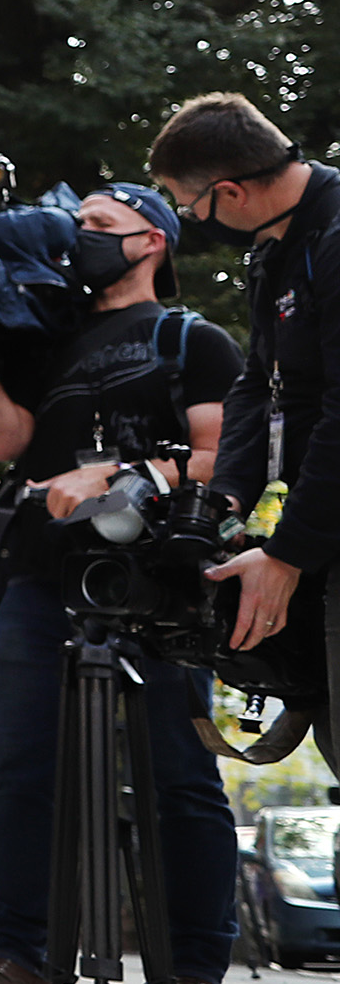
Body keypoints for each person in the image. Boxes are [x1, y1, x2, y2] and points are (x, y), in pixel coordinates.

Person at [0, 182, 241, 984]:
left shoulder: (191, 338)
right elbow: (2, 439)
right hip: (41, 578)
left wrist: (117, 476)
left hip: (157, 579)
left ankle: (195, 972)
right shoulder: (54, 346)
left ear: (152, 241)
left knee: (181, 771)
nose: (81, 237)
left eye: (100, 226)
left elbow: (224, 456)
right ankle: (21, 958)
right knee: (24, 766)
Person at [153, 95, 340, 701]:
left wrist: (288, 554)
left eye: (192, 206)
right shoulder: (274, 249)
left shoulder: (335, 240)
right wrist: (225, 498)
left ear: (231, 192)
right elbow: (259, 384)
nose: (194, 221)